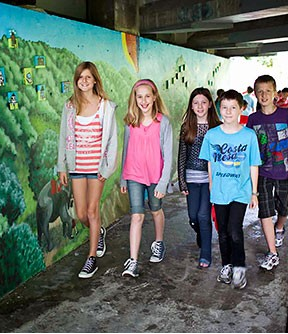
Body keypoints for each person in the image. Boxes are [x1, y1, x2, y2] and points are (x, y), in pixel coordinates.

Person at [57, 61, 118, 279]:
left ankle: (91, 258)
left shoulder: (106, 107)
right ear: (76, 80)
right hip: (76, 167)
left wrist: (108, 168)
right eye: (80, 77)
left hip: (97, 167)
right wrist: (61, 166)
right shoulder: (70, 106)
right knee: (81, 213)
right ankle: (98, 231)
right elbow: (63, 136)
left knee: (92, 211)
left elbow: (112, 141)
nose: (84, 80)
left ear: (94, 80)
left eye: (88, 77)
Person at [199, 89, 262, 289]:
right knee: (223, 231)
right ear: (219, 109)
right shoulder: (211, 135)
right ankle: (226, 265)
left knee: (235, 229)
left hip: (241, 191)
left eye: (232, 108)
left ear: (241, 109)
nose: (228, 112)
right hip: (219, 191)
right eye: (224, 108)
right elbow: (209, 162)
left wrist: (254, 192)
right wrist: (211, 184)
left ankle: (239, 267)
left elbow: (253, 164)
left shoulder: (249, 136)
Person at [246, 75, 288, 271]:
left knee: (284, 207)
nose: (263, 95)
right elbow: (247, 146)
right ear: (255, 94)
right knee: (265, 210)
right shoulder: (253, 119)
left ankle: (279, 227)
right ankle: (273, 253)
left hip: (284, 171)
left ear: (275, 93)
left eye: (268, 91)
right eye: (260, 91)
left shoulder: (286, 115)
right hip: (262, 172)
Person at [120, 79, 173, 277]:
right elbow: (126, 150)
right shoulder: (130, 121)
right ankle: (133, 261)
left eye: (147, 96)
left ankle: (158, 243)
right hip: (134, 174)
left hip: (155, 176)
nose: (143, 101)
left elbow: (168, 155)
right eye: (139, 96)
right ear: (134, 98)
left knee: (155, 210)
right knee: (136, 215)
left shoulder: (163, 122)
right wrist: (123, 178)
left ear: (154, 97)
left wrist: (163, 182)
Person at [177, 87, 221, 269]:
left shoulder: (218, 127)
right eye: (196, 103)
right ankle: (202, 234)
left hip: (209, 180)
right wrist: (181, 181)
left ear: (210, 104)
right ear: (191, 106)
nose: (200, 106)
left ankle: (206, 254)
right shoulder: (186, 127)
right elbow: (181, 156)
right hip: (191, 178)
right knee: (193, 217)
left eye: (203, 102)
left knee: (204, 215)